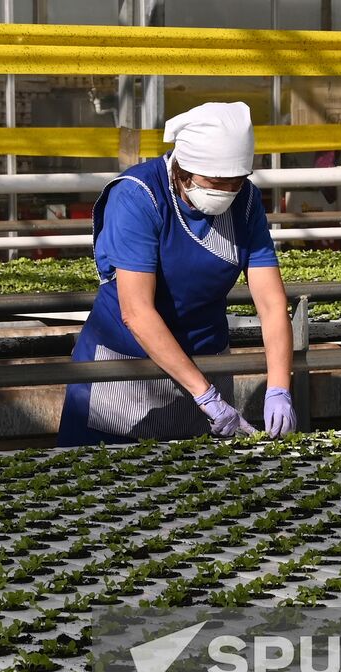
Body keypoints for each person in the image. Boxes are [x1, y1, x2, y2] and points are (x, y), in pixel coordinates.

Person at [57, 101, 295, 446]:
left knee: (202, 488)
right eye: (216, 182)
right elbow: (136, 312)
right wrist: (206, 396)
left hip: (206, 357)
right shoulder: (139, 196)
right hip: (126, 370)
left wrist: (278, 387)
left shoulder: (245, 203)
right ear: (183, 170)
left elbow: (271, 302)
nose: (227, 192)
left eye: (236, 182)